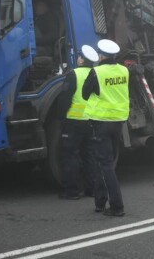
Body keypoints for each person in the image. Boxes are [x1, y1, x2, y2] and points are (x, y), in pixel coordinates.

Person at [82, 39, 129, 217]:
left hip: (101, 122)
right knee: (107, 163)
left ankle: (117, 206)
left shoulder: (97, 71)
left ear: (101, 55)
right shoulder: (124, 70)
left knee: (104, 164)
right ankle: (100, 202)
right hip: (118, 121)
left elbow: (85, 93)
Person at [57, 44, 99, 200]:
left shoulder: (74, 74)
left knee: (71, 155)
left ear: (82, 60)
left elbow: (65, 98)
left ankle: (72, 191)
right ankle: (93, 189)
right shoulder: (96, 74)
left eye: (80, 56)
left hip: (74, 120)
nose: (79, 58)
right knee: (90, 155)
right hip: (92, 120)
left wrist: (61, 117)